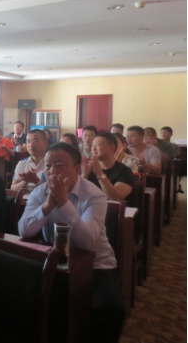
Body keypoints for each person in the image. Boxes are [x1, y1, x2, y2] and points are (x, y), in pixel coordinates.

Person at [18, 142, 125, 343]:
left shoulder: (94, 195)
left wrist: (64, 203)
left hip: (95, 266)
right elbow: (24, 230)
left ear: (77, 169)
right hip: (54, 263)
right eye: (48, 165)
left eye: (59, 165)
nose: (52, 171)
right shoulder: (40, 192)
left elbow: (86, 242)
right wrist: (48, 205)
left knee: (110, 308)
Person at [82, 133, 134, 203]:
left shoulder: (125, 171)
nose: (93, 148)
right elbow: (76, 193)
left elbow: (116, 198)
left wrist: (99, 174)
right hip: (88, 207)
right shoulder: (88, 167)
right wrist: (84, 174)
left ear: (111, 148)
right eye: (92, 145)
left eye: (98, 145)